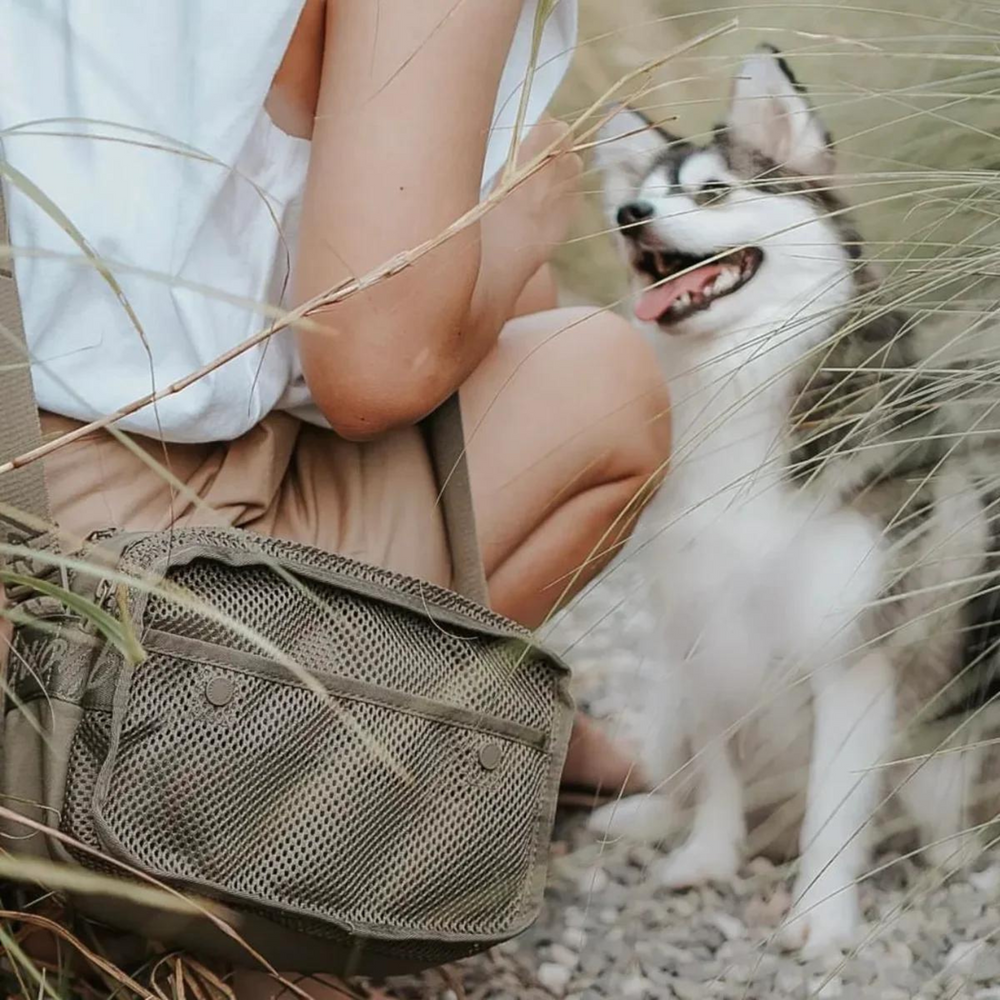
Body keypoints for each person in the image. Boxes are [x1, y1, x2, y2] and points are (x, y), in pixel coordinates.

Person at [0, 1, 671, 996]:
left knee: (504, 297)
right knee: (600, 384)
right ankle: (193, 917)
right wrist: (521, 222)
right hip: (77, 555)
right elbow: (376, 364)